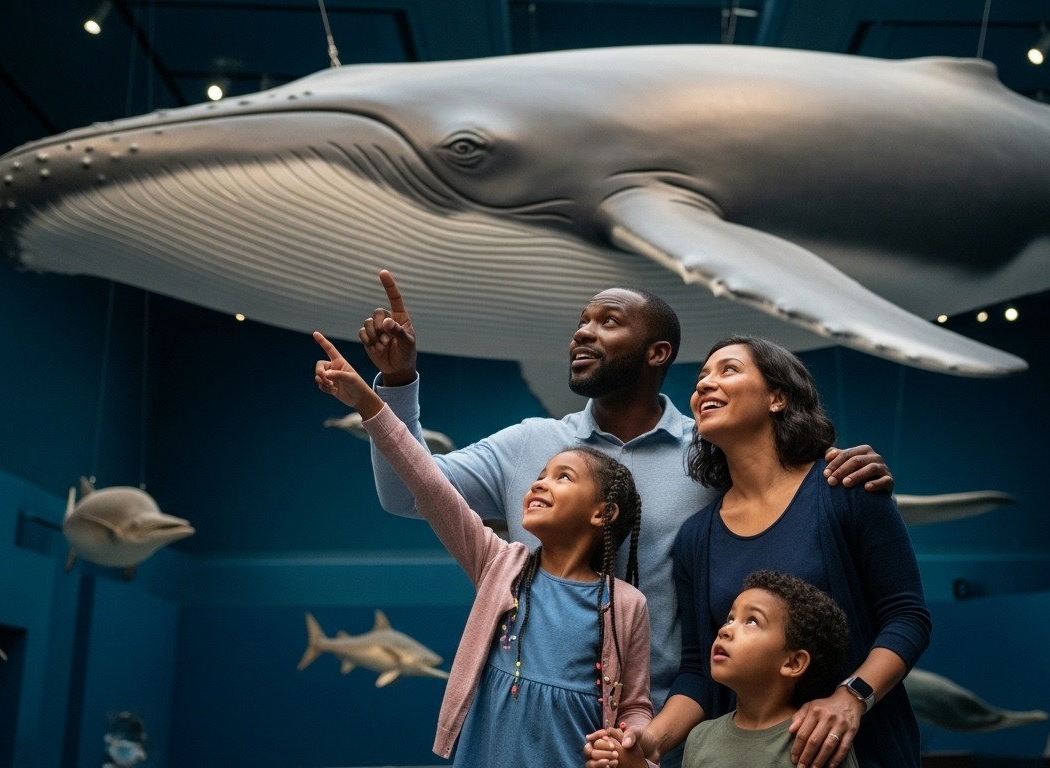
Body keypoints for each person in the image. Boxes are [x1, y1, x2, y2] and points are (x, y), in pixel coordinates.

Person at [359, 270, 894, 741]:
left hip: (670, 730)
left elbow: (788, 490)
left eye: (608, 321)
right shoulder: (528, 442)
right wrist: (399, 383)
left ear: (656, 352)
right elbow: (409, 493)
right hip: (526, 724)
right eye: (582, 321)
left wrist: (848, 466)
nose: (583, 331)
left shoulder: (713, 452)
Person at [313, 331, 653, 766]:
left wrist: (629, 742)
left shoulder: (626, 604)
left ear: (602, 513)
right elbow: (431, 485)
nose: (540, 483)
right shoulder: (500, 565)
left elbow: (636, 706)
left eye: (563, 477)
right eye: (541, 475)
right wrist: (370, 405)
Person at [590, 335, 930, 768]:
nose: (704, 386)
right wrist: (648, 744)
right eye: (701, 378)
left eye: (728, 370)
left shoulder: (847, 488)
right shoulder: (697, 536)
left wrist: (852, 698)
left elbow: (908, 617)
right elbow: (698, 671)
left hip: (865, 748)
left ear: (777, 397)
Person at [600, 570, 858, 768]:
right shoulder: (701, 738)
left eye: (752, 621)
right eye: (730, 618)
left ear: (793, 663)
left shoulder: (817, 740)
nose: (725, 629)